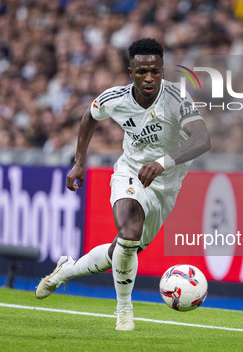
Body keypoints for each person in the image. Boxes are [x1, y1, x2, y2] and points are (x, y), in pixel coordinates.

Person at [35, 38, 211, 331]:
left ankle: (65, 271)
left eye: (155, 71)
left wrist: (163, 163)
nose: (149, 78)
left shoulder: (177, 99)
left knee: (121, 251)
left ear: (163, 69)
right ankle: (124, 312)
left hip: (166, 187)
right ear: (131, 71)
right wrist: (79, 161)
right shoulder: (114, 98)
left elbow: (202, 139)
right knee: (129, 233)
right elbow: (89, 116)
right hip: (130, 172)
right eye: (142, 71)